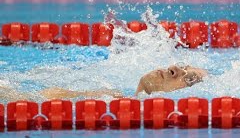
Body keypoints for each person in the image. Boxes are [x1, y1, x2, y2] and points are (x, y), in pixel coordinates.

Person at [0, 65, 207, 101]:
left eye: (185, 78)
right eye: (181, 66)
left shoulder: (111, 103)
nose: (174, 68)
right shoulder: (111, 93)